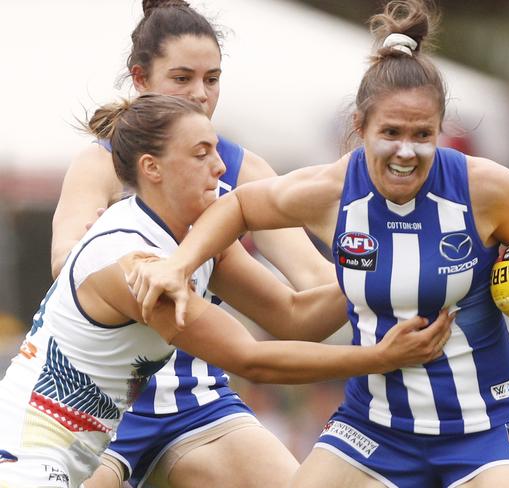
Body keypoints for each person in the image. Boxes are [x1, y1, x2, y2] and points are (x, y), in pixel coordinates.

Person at [126, 2, 509, 487]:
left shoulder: (488, 190)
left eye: (423, 134)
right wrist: (179, 265)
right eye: (390, 132)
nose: (405, 151)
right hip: (374, 429)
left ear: (441, 132)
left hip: (487, 428)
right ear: (361, 126)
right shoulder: (333, 191)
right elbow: (240, 207)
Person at [0, 94, 452, 488]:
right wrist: (381, 357)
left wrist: (374, 263)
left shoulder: (195, 240)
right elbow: (251, 360)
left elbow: (294, 315)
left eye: (216, 150)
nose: (220, 166)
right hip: (26, 458)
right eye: (201, 154)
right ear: (151, 168)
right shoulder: (132, 262)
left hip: (70, 457)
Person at [50, 1, 344, 487]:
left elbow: (312, 288)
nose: (200, 95)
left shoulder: (241, 171)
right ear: (140, 78)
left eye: (212, 79)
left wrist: (389, 270)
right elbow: (66, 264)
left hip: (195, 400)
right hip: (102, 404)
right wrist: (136, 260)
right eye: (182, 78)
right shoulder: (101, 165)